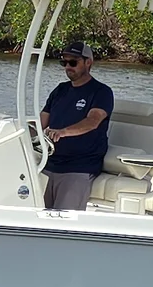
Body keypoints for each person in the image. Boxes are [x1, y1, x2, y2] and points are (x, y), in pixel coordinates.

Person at [40, 43, 115, 212]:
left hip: (78, 167)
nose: (67, 67)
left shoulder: (101, 92)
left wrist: (63, 132)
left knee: (64, 221)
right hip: (49, 163)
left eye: (73, 62)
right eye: (64, 63)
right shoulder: (60, 90)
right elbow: (41, 121)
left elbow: (93, 121)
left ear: (88, 62)